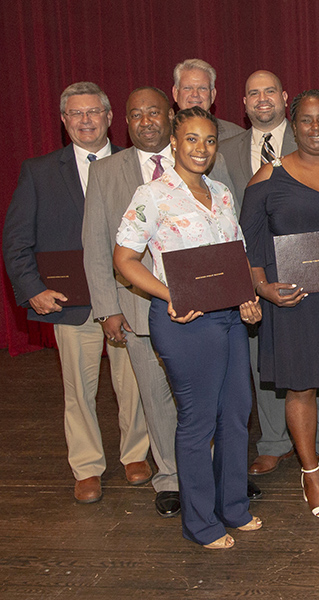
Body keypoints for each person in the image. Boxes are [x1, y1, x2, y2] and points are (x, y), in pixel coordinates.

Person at [113, 106, 262, 549]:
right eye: (192, 139)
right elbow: (124, 261)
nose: (201, 148)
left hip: (230, 317)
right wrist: (169, 295)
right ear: (174, 143)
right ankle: (200, 523)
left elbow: (235, 258)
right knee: (198, 422)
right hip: (183, 322)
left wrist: (248, 300)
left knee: (236, 415)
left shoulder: (222, 192)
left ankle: (232, 507)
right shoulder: (152, 194)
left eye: (210, 140)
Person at [3, 82, 148, 504]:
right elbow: (16, 240)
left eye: (93, 113)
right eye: (76, 114)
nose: (85, 121)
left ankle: (135, 454)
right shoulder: (39, 171)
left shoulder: (134, 165)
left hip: (125, 297)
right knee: (77, 389)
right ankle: (86, 467)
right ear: (64, 121)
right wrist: (33, 290)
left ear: (108, 117)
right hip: (69, 303)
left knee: (134, 381)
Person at [218, 71, 319, 475]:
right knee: (299, 388)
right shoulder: (268, 177)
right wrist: (262, 288)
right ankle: (311, 473)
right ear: (294, 124)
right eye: (306, 119)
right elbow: (243, 245)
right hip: (291, 302)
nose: (315, 127)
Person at [172, 58, 245, 141]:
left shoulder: (238, 136)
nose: (195, 94)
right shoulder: (161, 136)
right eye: (187, 88)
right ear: (175, 93)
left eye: (202, 88)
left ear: (213, 95)